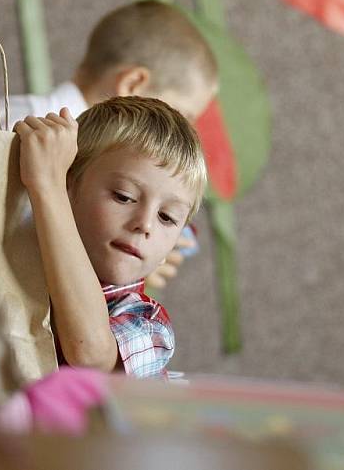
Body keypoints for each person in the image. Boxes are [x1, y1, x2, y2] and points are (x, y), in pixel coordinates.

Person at [0, 0, 218, 289]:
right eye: (182, 116)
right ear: (133, 85)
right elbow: (12, 241)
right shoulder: (21, 124)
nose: (182, 134)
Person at [13, 96, 206, 378]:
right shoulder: (16, 261)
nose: (144, 224)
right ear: (71, 184)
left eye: (167, 217)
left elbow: (89, 354)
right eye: (123, 196)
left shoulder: (150, 324)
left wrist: (47, 185)